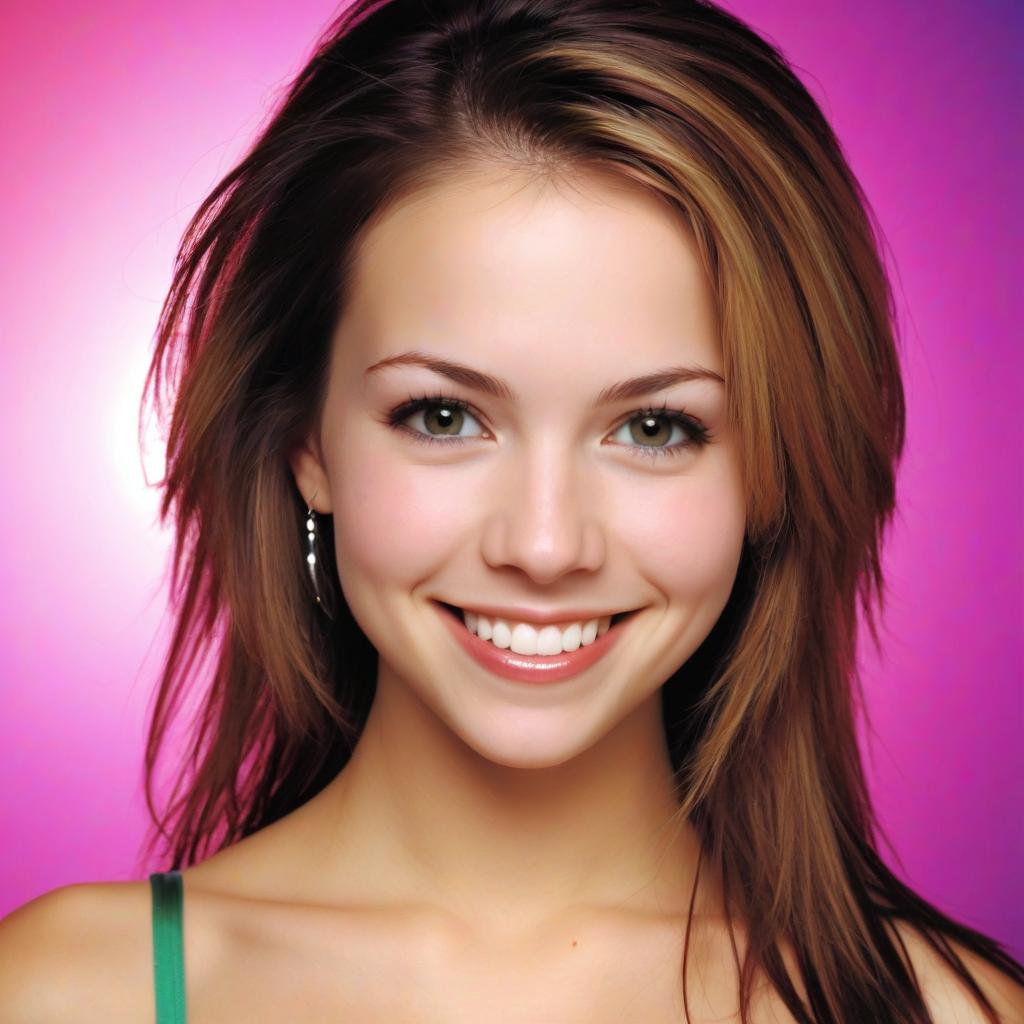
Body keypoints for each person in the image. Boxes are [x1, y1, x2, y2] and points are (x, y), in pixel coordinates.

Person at [1, 0, 1022, 1021]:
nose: (543, 544)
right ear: (307, 443)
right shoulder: (70, 992)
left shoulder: (947, 1011)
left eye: (657, 429)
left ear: (774, 474)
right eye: (443, 415)